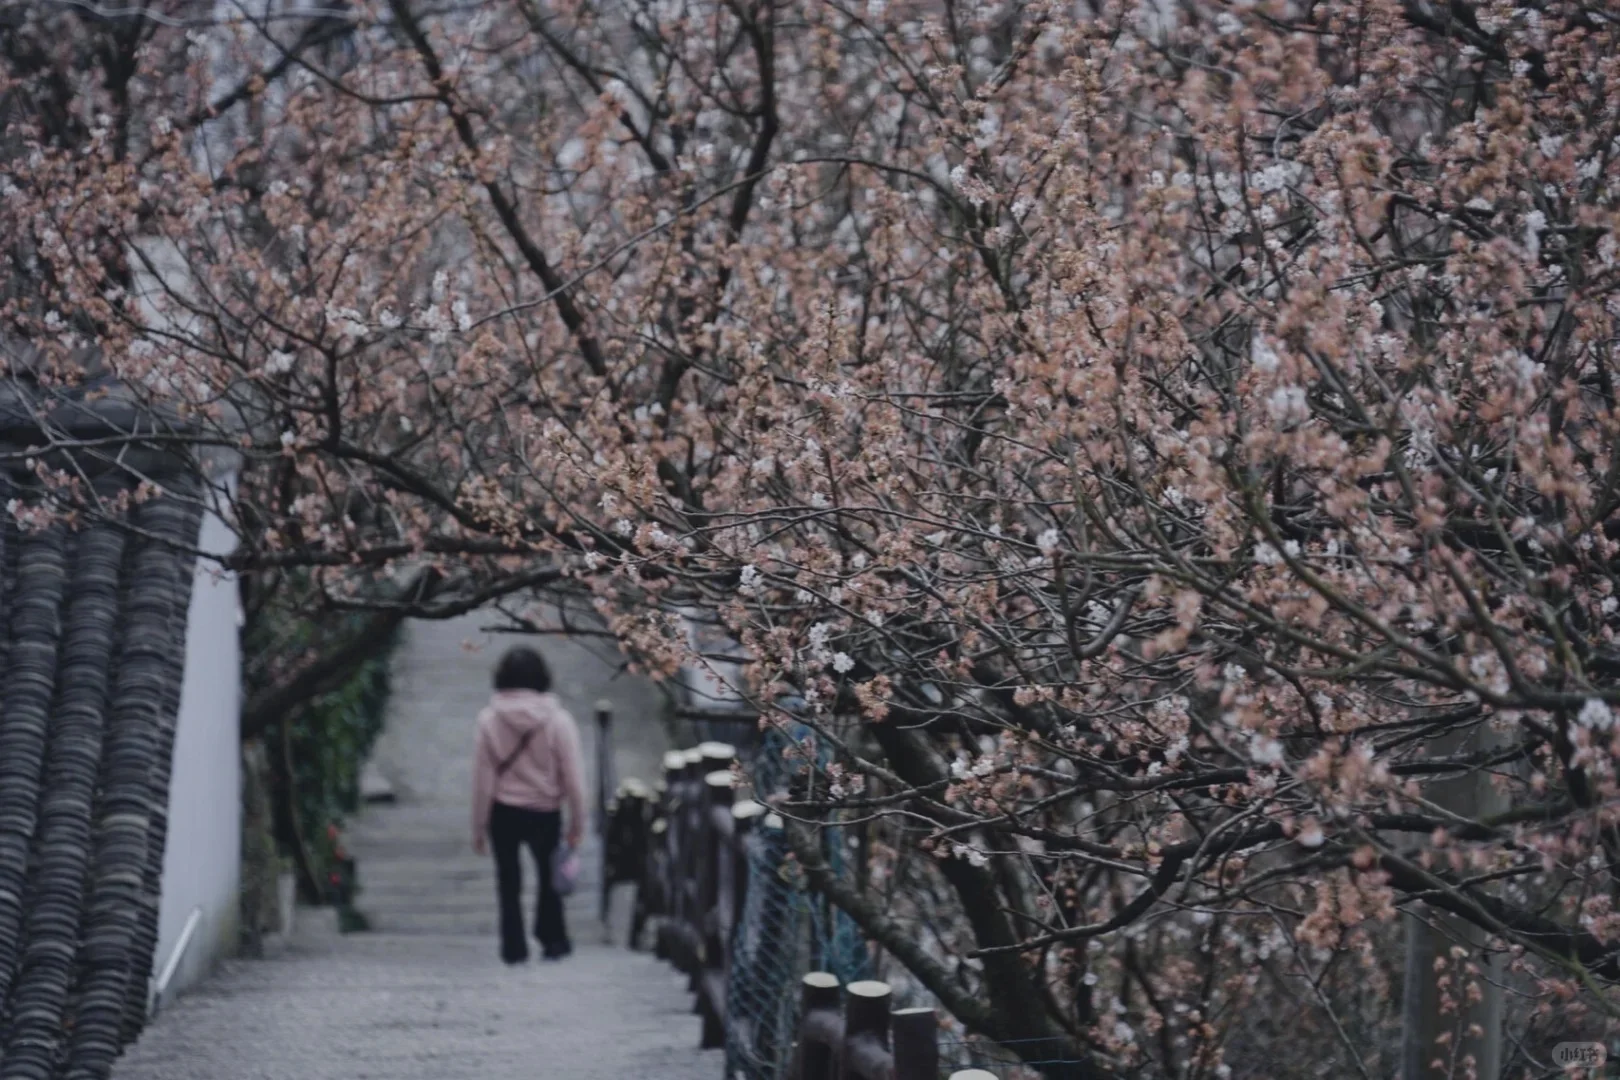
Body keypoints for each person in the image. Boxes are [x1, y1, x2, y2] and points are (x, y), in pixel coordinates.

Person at [471, 645, 586, 964]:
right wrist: (578, 823)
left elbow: (483, 780)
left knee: (508, 881)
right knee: (549, 879)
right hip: (545, 810)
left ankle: (513, 947)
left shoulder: (488, 720)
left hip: (503, 811)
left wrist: (479, 827)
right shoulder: (559, 721)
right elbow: (574, 778)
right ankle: (553, 939)